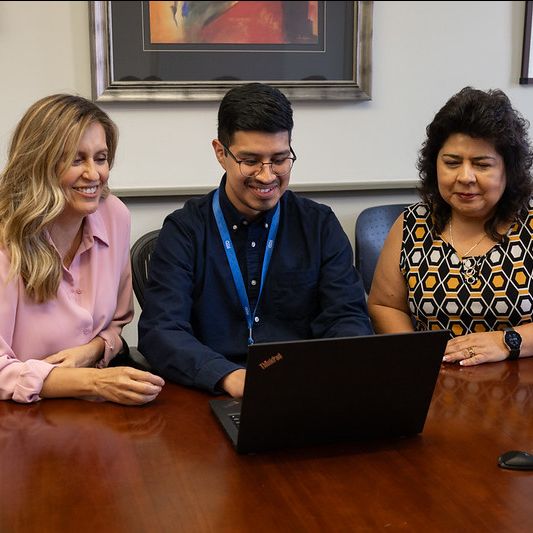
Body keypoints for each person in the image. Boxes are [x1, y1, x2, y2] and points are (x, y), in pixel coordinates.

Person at [138, 82, 372, 398]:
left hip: (305, 388)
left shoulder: (319, 225)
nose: (267, 176)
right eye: (250, 161)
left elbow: (347, 316)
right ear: (221, 153)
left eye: (280, 159)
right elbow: (161, 331)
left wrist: (330, 370)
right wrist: (228, 377)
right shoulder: (185, 230)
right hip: (215, 391)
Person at [0, 94, 164, 404]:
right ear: (39, 164)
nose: (93, 174)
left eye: (100, 158)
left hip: (94, 406)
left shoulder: (114, 215)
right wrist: (91, 382)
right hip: (22, 413)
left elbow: (116, 324)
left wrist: (93, 350)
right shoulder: (6, 237)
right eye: (76, 160)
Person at [368, 86, 533, 366]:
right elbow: (384, 305)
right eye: (452, 163)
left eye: (482, 164)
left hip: (521, 379)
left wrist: (507, 341)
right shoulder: (413, 223)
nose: (465, 177)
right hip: (434, 378)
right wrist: (419, 356)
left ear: (509, 169)